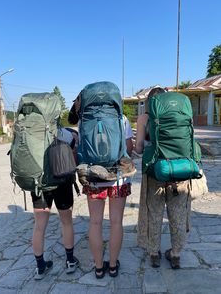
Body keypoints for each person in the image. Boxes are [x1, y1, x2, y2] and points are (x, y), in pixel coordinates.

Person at [68, 95, 134, 278]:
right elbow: (128, 147)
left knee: (95, 222)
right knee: (116, 222)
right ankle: (112, 266)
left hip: (93, 177)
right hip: (118, 177)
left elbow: (82, 147)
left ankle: (98, 268)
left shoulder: (84, 119)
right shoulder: (122, 117)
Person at [135, 87, 191, 269]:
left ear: (150, 102)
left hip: (155, 172)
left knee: (154, 212)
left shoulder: (145, 118)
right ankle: (175, 254)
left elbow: (139, 149)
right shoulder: (180, 113)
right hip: (180, 171)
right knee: (178, 214)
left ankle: (154, 253)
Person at [32, 127, 79, 280]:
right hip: (61, 182)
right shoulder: (60, 131)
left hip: (39, 184)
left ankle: (40, 267)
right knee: (66, 222)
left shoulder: (30, 129)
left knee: (39, 226)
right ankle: (70, 261)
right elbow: (74, 144)